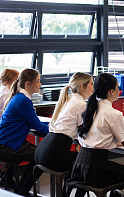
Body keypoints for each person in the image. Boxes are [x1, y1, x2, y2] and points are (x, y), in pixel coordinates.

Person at [67, 73, 124, 194]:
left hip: (80, 166)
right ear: (111, 92)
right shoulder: (114, 114)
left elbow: (100, 140)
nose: (119, 90)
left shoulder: (90, 109)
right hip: (97, 171)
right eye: (117, 88)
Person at [0, 68, 49, 196]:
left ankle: (20, 190)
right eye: (38, 81)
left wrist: (53, 125)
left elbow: (36, 123)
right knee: (41, 157)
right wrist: (57, 128)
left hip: (7, 143)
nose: (40, 84)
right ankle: (22, 191)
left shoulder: (19, 97)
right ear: (28, 84)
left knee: (38, 154)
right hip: (6, 146)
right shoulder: (23, 101)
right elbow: (40, 128)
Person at [34, 72, 93, 172]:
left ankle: (69, 187)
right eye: (91, 84)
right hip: (54, 154)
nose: (93, 87)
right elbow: (84, 132)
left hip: (42, 150)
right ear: (82, 86)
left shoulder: (68, 99)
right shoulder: (81, 104)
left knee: (80, 161)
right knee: (88, 161)